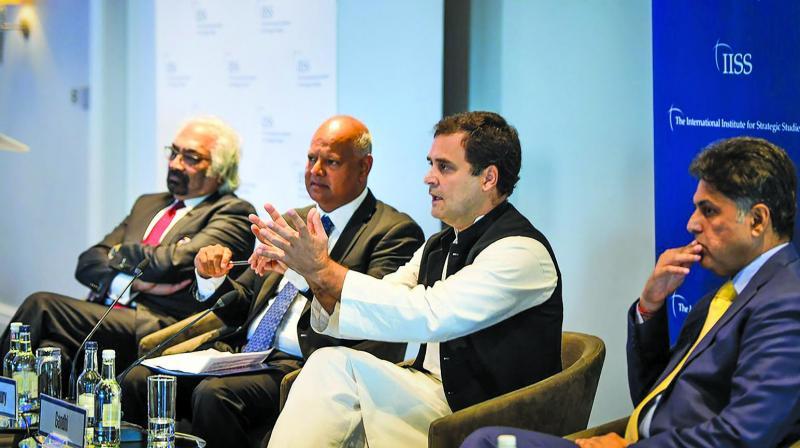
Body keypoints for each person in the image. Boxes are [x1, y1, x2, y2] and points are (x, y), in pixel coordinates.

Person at [460, 136, 800, 448]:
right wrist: (650, 307)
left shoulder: (786, 303)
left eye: (709, 211)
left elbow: (742, 437)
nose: (692, 224)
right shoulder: (730, 292)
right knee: (490, 442)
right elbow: (651, 395)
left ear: (757, 220)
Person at [258, 111, 563, 448]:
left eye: (444, 167)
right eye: (431, 164)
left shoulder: (521, 253)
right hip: (432, 393)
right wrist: (311, 275)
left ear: (488, 178)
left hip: (489, 413)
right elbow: (382, 301)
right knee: (329, 364)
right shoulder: (441, 243)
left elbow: (431, 314)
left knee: (334, 371)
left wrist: (322, 269)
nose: (428, 178)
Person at [120, 115, 425, 447]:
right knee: (138, 379)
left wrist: (307, 272)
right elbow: (243, 302)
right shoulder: (293, 218)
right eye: (311, 159)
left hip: (306, 362)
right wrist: (212, 278)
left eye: (331, 162)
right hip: (244, 354)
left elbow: (371, 316)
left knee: (214, 396)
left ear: (364, 167)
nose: (315, 170)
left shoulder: (392, 232)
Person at [0, 116, 256, 390]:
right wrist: (131, 282)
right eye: (173, 152)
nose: (175, 164)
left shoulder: (233, 212)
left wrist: (122, 255)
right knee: (53, 350)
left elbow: (173, 263)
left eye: (191, 157)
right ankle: (22, 424)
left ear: (220, 169)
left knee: (42, 306)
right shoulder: (148, 204)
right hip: (106, 311)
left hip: (157, 325)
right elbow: (88, 262)